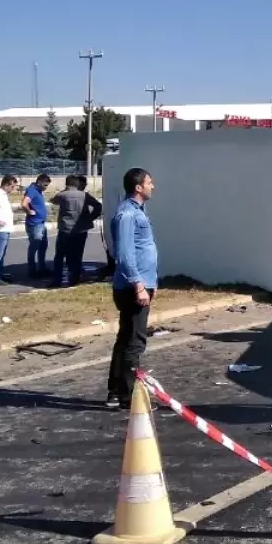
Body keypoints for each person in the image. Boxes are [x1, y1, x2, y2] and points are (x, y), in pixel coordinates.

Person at [107, 168, 158, 409]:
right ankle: (128, 396)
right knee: (135, 341)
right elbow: (125, 255)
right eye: (149, 183)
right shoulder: (127, 214)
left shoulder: (138, 211)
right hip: (131, 287)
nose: (153, 186)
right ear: (138, 187)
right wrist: (139, 286)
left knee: (126, 338)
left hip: (139, 284)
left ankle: (116, 393)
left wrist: (151, 284)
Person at [49, 175, 102, 287]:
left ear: (67, 184)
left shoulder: (62, 195)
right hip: (81, 230)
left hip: (65, 229)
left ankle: (57, 281)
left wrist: (64, 191)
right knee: (77, 255)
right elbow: (98, 206)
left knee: (59, 255)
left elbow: (53, 200)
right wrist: (90, 218)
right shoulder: (84, 195)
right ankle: (74, 279)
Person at [21, 173, 51, 278]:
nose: (46, 188)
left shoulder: (38, 191)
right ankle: (32, 270)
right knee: (34, 247)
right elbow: (24, 204)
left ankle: (42, 268)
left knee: (43, 246)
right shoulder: (32, 190)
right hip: (35, 224)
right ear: (39, 182)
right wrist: (29, 212)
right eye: (45, 185)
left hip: (41, 223)